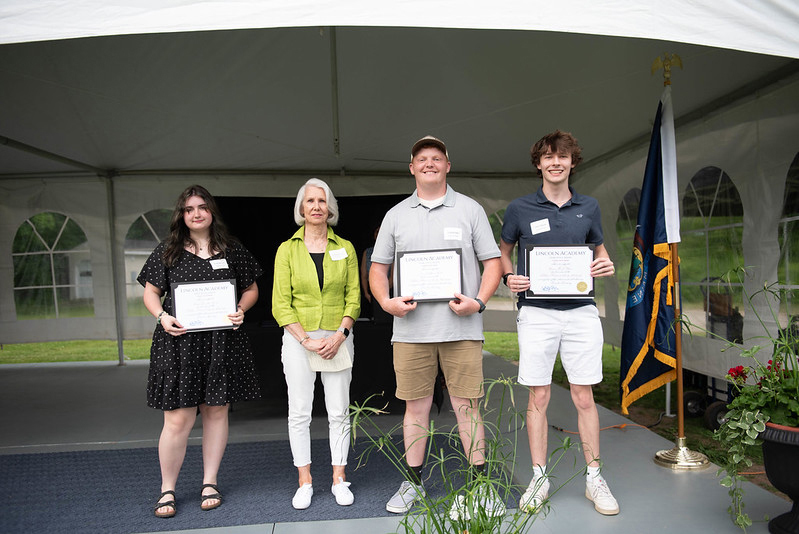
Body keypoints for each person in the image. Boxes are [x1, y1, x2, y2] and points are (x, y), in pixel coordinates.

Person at [369, 136, 502, 514]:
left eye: (437, 158)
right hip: (411, 332)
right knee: (416, 409)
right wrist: (384, 301)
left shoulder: (470, 209)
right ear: (412, 167)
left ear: (448, 165)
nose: (429, 163)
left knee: (467, 408)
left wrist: (478, 301)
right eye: (422, 158)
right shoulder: (396, 215)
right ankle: (413, 484)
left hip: (461, 330)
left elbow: (492, 262)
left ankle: (481, 486)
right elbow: (378, 268)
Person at [499, 130, 619, 516]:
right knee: (540, 397)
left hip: (582, 312)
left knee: (584, 397)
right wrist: (507, 277)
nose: (555, 162)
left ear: (572, 162)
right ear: (538, 163)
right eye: (548, 157)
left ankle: (594, 478)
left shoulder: (590, 206)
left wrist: (606, 264)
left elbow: (599, 252)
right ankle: (539, 477)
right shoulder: (520, 208)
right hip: (536, 313)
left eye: (562, 156)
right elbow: (503, 253)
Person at [139, 184, 263, 518]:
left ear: (212, 212)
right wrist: (162, 316)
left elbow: (251, 288)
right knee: (177, 419)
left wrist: (241, 308)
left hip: (221, 343)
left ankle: (210, 482)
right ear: (181, 214)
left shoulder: (231, 248)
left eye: (203, 207)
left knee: (216, 412)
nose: (196, 214)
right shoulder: (168, 250)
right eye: (189, 208)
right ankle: (168, 488)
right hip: (178, 343)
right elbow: (151, 293)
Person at [272, 178, 360, 510]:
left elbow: (354, 297)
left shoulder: (345, 247)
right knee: (300, 413)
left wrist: (340, 335)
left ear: (330, 208)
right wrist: (306, 339)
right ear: (301, 208)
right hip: (299, 340)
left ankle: (339, 478)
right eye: (310, 201)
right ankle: (305, 481)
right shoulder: (287, 249)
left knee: (339, 411)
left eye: (322, 201)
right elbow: (281, 303)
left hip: (338, 338)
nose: (316, 206)